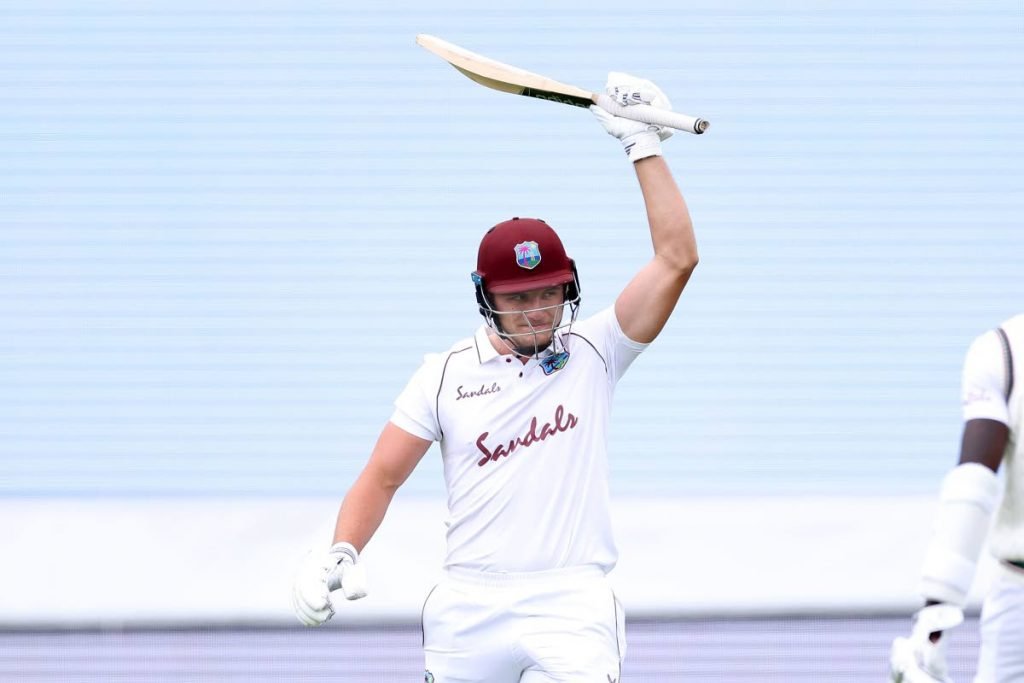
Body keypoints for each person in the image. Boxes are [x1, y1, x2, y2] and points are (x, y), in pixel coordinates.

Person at [292, 72, 699, 682]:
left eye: (548, 293)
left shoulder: (597, 349)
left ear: (569, 288)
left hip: (571, 602)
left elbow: (677, 258)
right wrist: (341, 549)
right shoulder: (443, 375)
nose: (537, 310)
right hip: (468, 605)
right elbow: (381, 477)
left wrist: (643, 146)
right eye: (519, 297)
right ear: (488, 299)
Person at [890, 314, 1023, 683]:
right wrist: (934, 620)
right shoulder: (1003, 350)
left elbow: (973, 484)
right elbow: (973, 484)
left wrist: (935, 617)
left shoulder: (1003, 348)